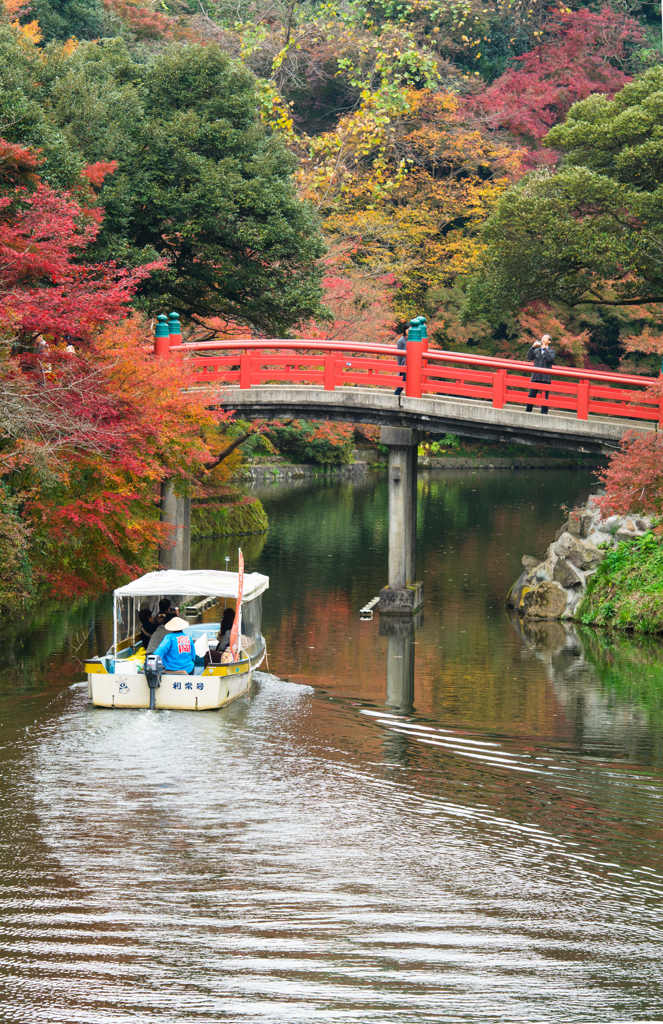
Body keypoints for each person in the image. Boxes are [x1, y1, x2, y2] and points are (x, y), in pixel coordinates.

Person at [525, 334, 556, 414]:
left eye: (546, 338)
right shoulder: (537, 351)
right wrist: (533, 347)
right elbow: (529, 357)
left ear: (549, 341)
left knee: (545, 398)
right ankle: (528, 412)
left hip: (545, 378)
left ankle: (544, 414)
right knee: (531, 396)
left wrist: (545, 348)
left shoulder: (551, 352)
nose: (543, 339)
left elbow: (550, 359)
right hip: (535, 376)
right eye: (543, 338)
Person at [393, 324, 407, 396]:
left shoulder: (413, 339)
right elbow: (399, 354)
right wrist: (400, 367)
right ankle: (397, 393)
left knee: (407, 379)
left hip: (412, 363)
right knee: (405, 379)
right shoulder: (401, 340)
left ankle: (397, 393)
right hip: (405, 363)